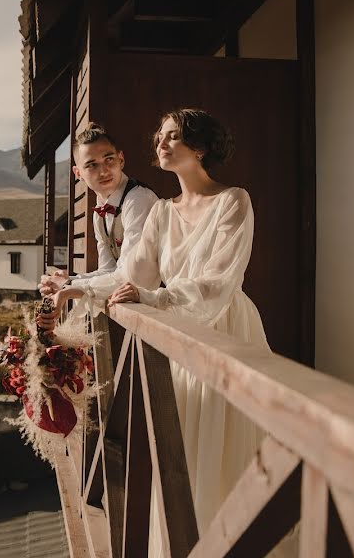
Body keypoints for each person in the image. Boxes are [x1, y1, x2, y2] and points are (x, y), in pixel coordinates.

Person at [49, 108, 294, 556]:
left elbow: (218, 283)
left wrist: (155, 299)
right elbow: (132, 275)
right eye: (159, 136)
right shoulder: (161, 213)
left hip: (227, 329)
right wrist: (75, 290)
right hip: (178, 337)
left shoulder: (233, 200)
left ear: (199, 148)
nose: (160, 144)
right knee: (185, 454)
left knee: (228, 449)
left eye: (173, 136)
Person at [38, 122, 158, 311]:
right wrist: (67, 281)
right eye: (92, 165)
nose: (103, 171)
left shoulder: (138, 200)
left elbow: (130, 276)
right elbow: (108, 270)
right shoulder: (100, 213)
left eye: (109, 159)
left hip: (164, 306)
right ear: (78, 173)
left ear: (121, 159)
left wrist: (70, 287)